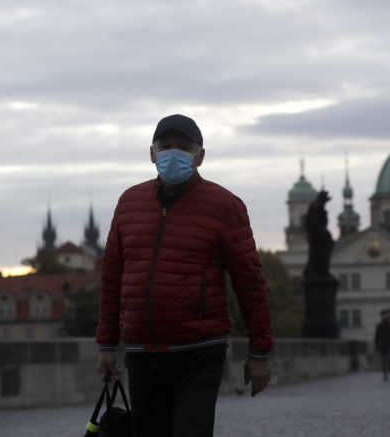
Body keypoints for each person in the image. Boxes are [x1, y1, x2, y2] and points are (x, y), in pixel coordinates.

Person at [96, 114, 273, 437]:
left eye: (184, 147)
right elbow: (112, 277)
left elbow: (250, 282)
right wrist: (107, 343)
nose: (173, 153)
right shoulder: (129, 202)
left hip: (199, 349)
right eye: (166, 146)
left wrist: (259, 351)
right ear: (152, 153)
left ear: (200, 156)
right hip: (142, 350)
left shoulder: (225, 205)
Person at [375, 309, 390, 381]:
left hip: (389, 345)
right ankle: (385, 375)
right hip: (382, 346)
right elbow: (376, 337)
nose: (384, 316)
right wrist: (377, 346)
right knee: (384, 361)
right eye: (383, 315)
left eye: (386, 315)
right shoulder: (379, 326)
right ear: (381, 316)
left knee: (389, 360)